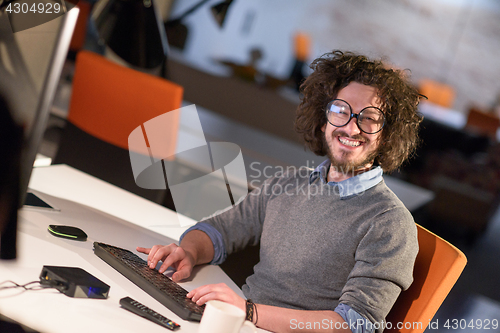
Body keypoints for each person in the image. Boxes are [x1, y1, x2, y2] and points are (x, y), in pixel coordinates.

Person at [137, 50, 423, 333]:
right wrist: (188, 251)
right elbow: (221, 229)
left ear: (387, 135)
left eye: (370, 118)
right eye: (341, 110)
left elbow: (353, 325)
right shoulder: (288, 183)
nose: (351, 127)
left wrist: (249, 312)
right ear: (324, 119)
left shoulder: (390, 222)